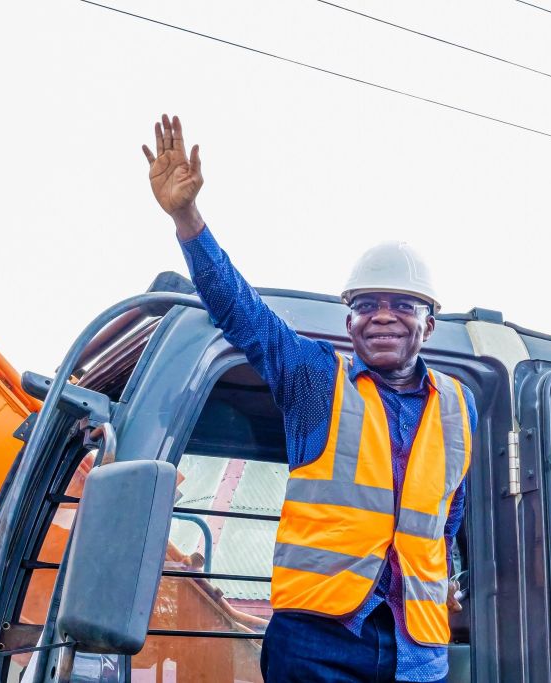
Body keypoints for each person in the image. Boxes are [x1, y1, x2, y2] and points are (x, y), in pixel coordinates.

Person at [143, 114, 476, 683]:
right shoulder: (317, 380)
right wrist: (187, 219)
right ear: (349, 322)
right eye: (368, 305)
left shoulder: (458, 406)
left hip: (415, 647)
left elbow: (449, 512)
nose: (384, 316)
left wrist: (450, 581)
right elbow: (242, 313)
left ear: (430, 323)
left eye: (403, 304)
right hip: (318, 639)